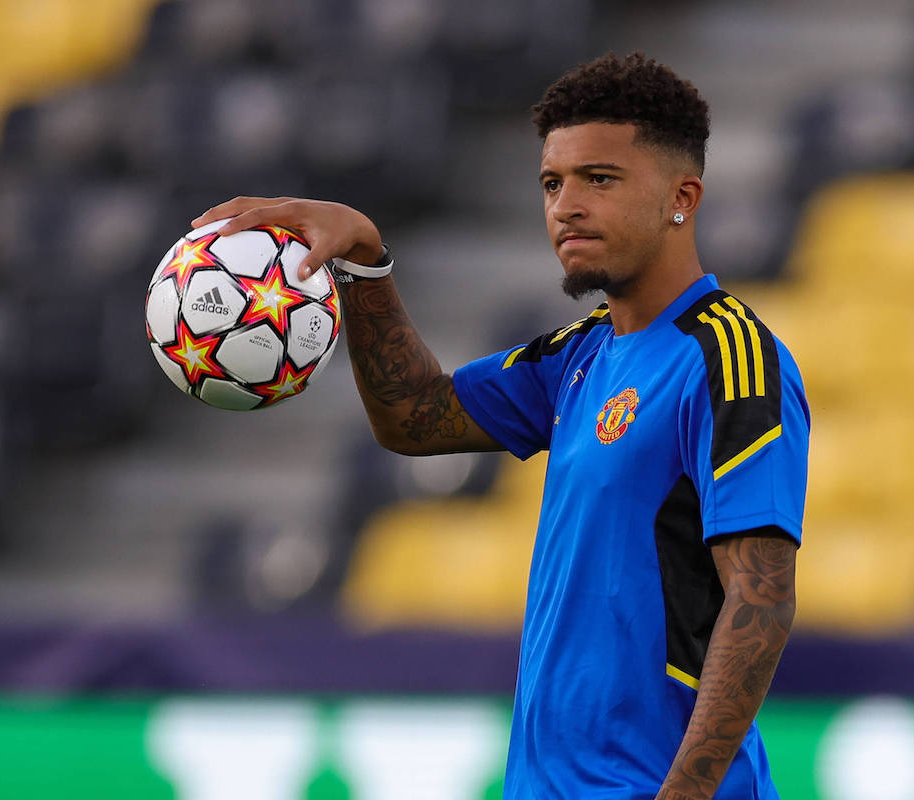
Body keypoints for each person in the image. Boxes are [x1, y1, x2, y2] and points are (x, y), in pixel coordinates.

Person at [192, 51, 808, 800]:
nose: (565, 206)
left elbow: (762, 597)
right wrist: (364, 262)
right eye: (552, 183)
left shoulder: (729, 359)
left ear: (682, 197)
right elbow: (417, 418)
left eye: (599, 180)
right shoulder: (578, 355)